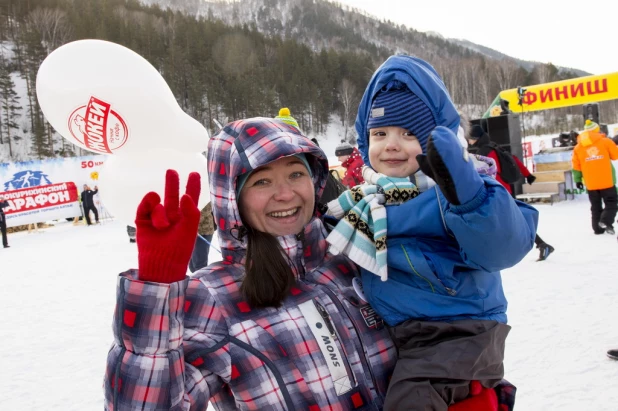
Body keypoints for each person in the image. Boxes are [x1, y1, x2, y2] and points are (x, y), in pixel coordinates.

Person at [104, 117, 508, 410]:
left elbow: (442, 329)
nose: (285, 194)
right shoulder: (213, 298)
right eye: (261, 181)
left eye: (295, 174)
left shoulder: (355, 250)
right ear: (232, 198)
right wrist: (156, 289)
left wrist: (477, 391)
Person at [326, 55, 538, 410]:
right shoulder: (365, 200)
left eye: (409, 133)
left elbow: (503, 246)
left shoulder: (457, 191)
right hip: (400, 332)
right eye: (380, 134)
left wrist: (466, 195)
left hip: (457, 332)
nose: (391, 144)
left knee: (411, 400)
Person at [468, 124, 555, 261]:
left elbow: (491, 173)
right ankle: (541, 244)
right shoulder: (493, 146)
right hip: (505, 189)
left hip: (498, 192)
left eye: (470, 138)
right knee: (512, 219)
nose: (468, 141)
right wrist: (527, 174)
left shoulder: (484, 152)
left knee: (509, 220)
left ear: (476, 138)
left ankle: (540, 244)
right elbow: (513, 159)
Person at [572, 120, 618, 235]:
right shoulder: (605, 142)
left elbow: (576, 166)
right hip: (606, 180)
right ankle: (605, 221)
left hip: (591, 183)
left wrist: (578, 180)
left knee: (595, 206)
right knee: (612, 203)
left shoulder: (578, 147)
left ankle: (597, 229)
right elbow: (615, 156)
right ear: (597, 130)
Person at [189, 202, 215, 272]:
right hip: (191, 232)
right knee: (191, 263)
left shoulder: (206, 197)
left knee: (200, 264)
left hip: (203, 232)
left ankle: (201, 281)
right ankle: (195, 279)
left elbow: (202, 213)